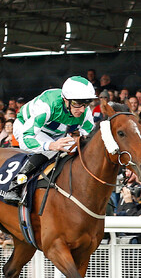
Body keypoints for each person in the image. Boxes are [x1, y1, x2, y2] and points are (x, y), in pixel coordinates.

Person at [6, 76, 97, 205]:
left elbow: (89, 137)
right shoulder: (47, 105)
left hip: (55, 133)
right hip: (26, 128)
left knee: (77, 148)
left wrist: (79, 137)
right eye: (77, 103)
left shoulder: (85, 111)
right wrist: (51, 145)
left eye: (86, 103)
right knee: (51, 151)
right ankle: (16, 185)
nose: (82, 109)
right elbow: (26, 139)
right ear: (65, 99)